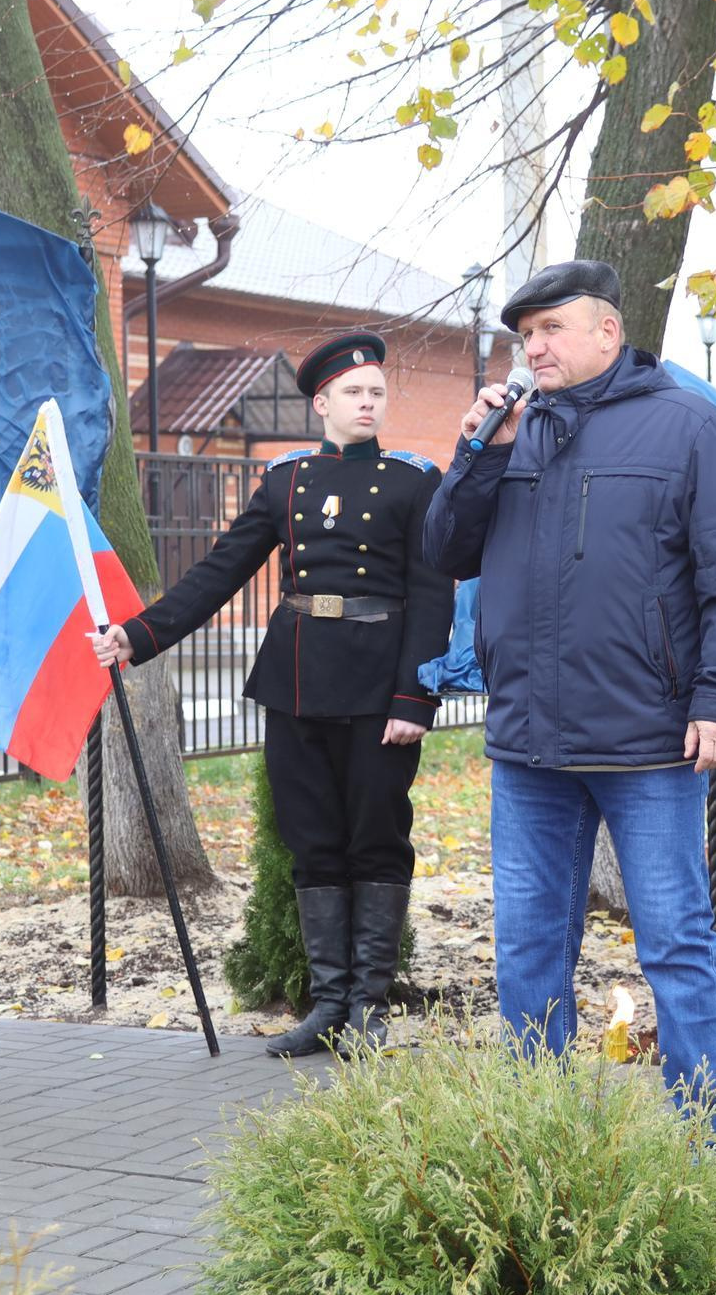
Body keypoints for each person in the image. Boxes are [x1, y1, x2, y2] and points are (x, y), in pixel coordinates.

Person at [420, 260, 716, 1130]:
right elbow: (443, 552)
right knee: (529, 951)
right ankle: (538, 1129)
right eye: (524, 334)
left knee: (677, 946)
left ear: (607, 332)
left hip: (649, 740)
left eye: (551, 329)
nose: (533, 347)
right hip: (530, 745)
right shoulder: (514, 431)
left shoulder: (690, 427)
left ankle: (704, 1137)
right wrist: (475, 457)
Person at [90, 332, 453, 1058]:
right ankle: (328, 1005)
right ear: (322, 403)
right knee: (312, 840)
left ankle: (369, 1009)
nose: (368, 402)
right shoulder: (286, 481)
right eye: (354, 392)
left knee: (377, 838)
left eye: (376, 392)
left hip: (381, 683)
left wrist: (415, 697)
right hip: (297, 678)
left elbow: (431, 595)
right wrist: (140, 635)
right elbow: (220, 571)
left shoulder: (415, 482)